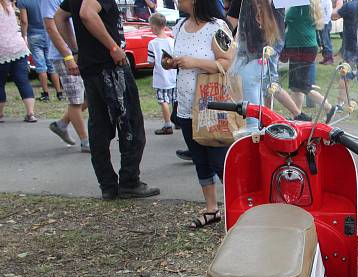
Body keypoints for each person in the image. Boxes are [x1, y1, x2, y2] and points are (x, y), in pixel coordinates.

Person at [57, 0, 159, 200]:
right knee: (130, 124)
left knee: (99, 128)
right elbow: (87, 13)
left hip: (92, 67)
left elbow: (59, 18)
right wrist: (113, 47)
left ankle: (108, 185)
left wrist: (76, 50)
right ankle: (129, 182)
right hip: (110, 67)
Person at [164, 0, 233, 228]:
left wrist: (194, 62)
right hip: (185, 105)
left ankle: (237, 208)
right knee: (199, 159)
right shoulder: (180, 26)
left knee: (219, 161)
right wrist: (171, 63)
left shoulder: (217, 27)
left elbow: (227, 63)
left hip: (211, 106)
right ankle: (212, 209)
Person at [45, 0, 90, 151]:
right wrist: (68, 56)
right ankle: (85, 142)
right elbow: (51, 28)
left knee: (91, 95)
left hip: (79, 52)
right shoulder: (50, 1)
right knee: (76, 100)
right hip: (64, 56)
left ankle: (62, 124)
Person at [283, 0, 334, 118]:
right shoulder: (309, 5)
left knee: (303, 86)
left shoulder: (300, 6)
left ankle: (328, 107)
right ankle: (297, 115)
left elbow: (288, 19)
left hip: (300, 47)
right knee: (296, 86)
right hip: (302, 46)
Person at [18, 0, 63, 101]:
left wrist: (24, 35)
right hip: (48, 33)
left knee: (40, 66)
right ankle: (59, 93)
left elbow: (24, 21)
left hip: (34, 35)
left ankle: (46, 94)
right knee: (51, 65)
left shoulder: (23, 2)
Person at [0, 0, 37, 123]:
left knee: (0, 83)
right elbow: (23, 21)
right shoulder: (9, 5)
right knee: (23, 81)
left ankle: (0, 114)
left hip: (2, 49)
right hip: (18, 47)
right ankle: (30, 113)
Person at [147, 12, 176, 135]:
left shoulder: (153, 43)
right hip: (173, 76)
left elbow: (151, 62)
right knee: (174, 99)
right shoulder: (171, 41)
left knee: (163, 101)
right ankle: (177, 120)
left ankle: (167, 124)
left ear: (154, 27)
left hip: (161, 77)